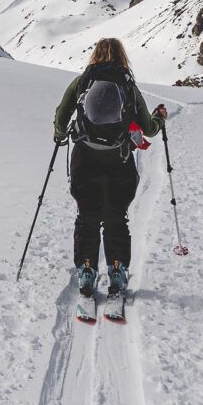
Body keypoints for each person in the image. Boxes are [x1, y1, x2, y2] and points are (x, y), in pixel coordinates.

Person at [51, 36, 164, 303]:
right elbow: (148, 128)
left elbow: (61, 116)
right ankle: (117, 271)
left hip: (84, 160)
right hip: (119, 162)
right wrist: (160, 118)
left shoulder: (82, 82)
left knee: (87, 217)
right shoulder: (127, 85)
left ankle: (87, 271)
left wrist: (59, 134)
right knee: (116, 218)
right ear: (122, 56)